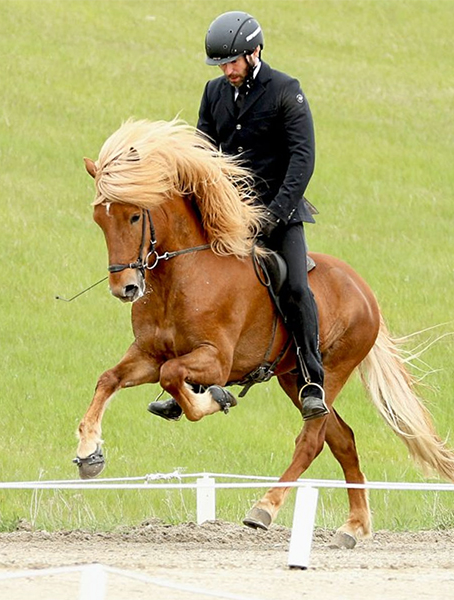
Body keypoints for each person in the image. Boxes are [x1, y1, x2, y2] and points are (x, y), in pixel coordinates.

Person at [148, 10, 328, 422]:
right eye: (221, 64)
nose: (227, 70)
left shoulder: (286, 90)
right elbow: (202, 155)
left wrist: (274, 215)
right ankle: (189, 386)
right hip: (226, 215)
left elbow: (303, 160)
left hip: (278, 213)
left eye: (233, 62)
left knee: (297, 287)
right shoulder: (214, 93)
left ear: (255, 52)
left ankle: (312, 379)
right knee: (201, 286)